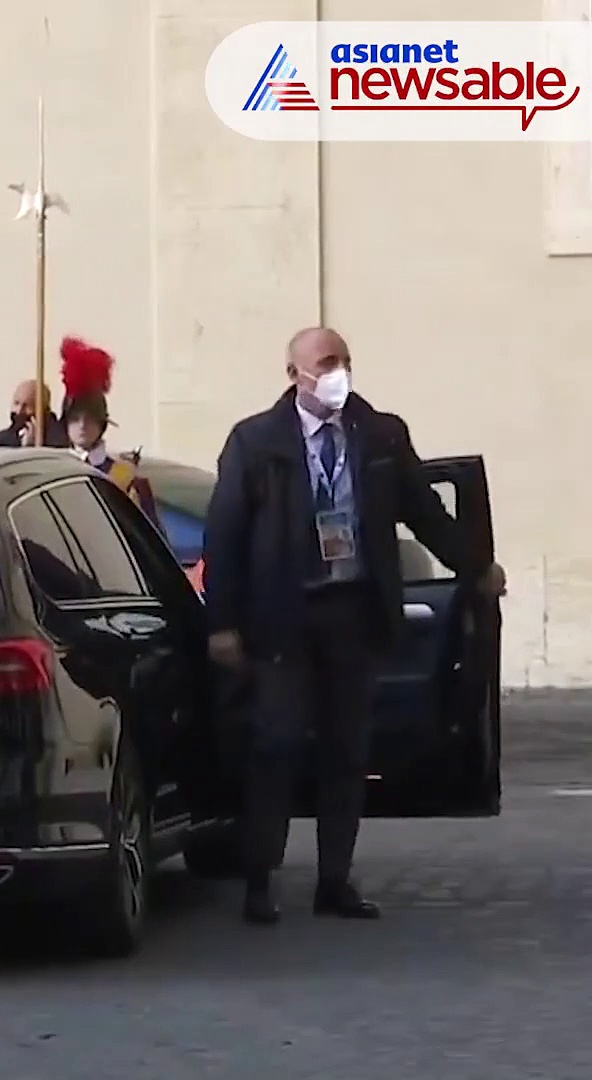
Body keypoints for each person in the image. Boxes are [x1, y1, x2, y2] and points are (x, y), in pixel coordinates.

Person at [203, 326, 508, 925]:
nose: (337, 370)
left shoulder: (379, 434)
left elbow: (425, 513)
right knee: (278, 746)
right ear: (294, 374)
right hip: (283, 617)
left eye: (343, 359)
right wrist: (224, 623)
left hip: (354, 611)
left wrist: (475, 566)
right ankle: (261, 878)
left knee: (348, 751)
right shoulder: (256, 442)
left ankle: (334, 879)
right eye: (324, 362)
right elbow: (226, 535)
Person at [58, 336, 160, 525]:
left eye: (89, 418)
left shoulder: (127, 478)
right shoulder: (54, 471)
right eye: (75, 418)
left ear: (102, 422)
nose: (82, 425)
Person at [0, 379, 65, 448]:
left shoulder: (60, 439)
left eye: (27, 405)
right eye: (16, 403)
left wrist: (31, 449)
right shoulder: (0, 441)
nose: (19, 411)